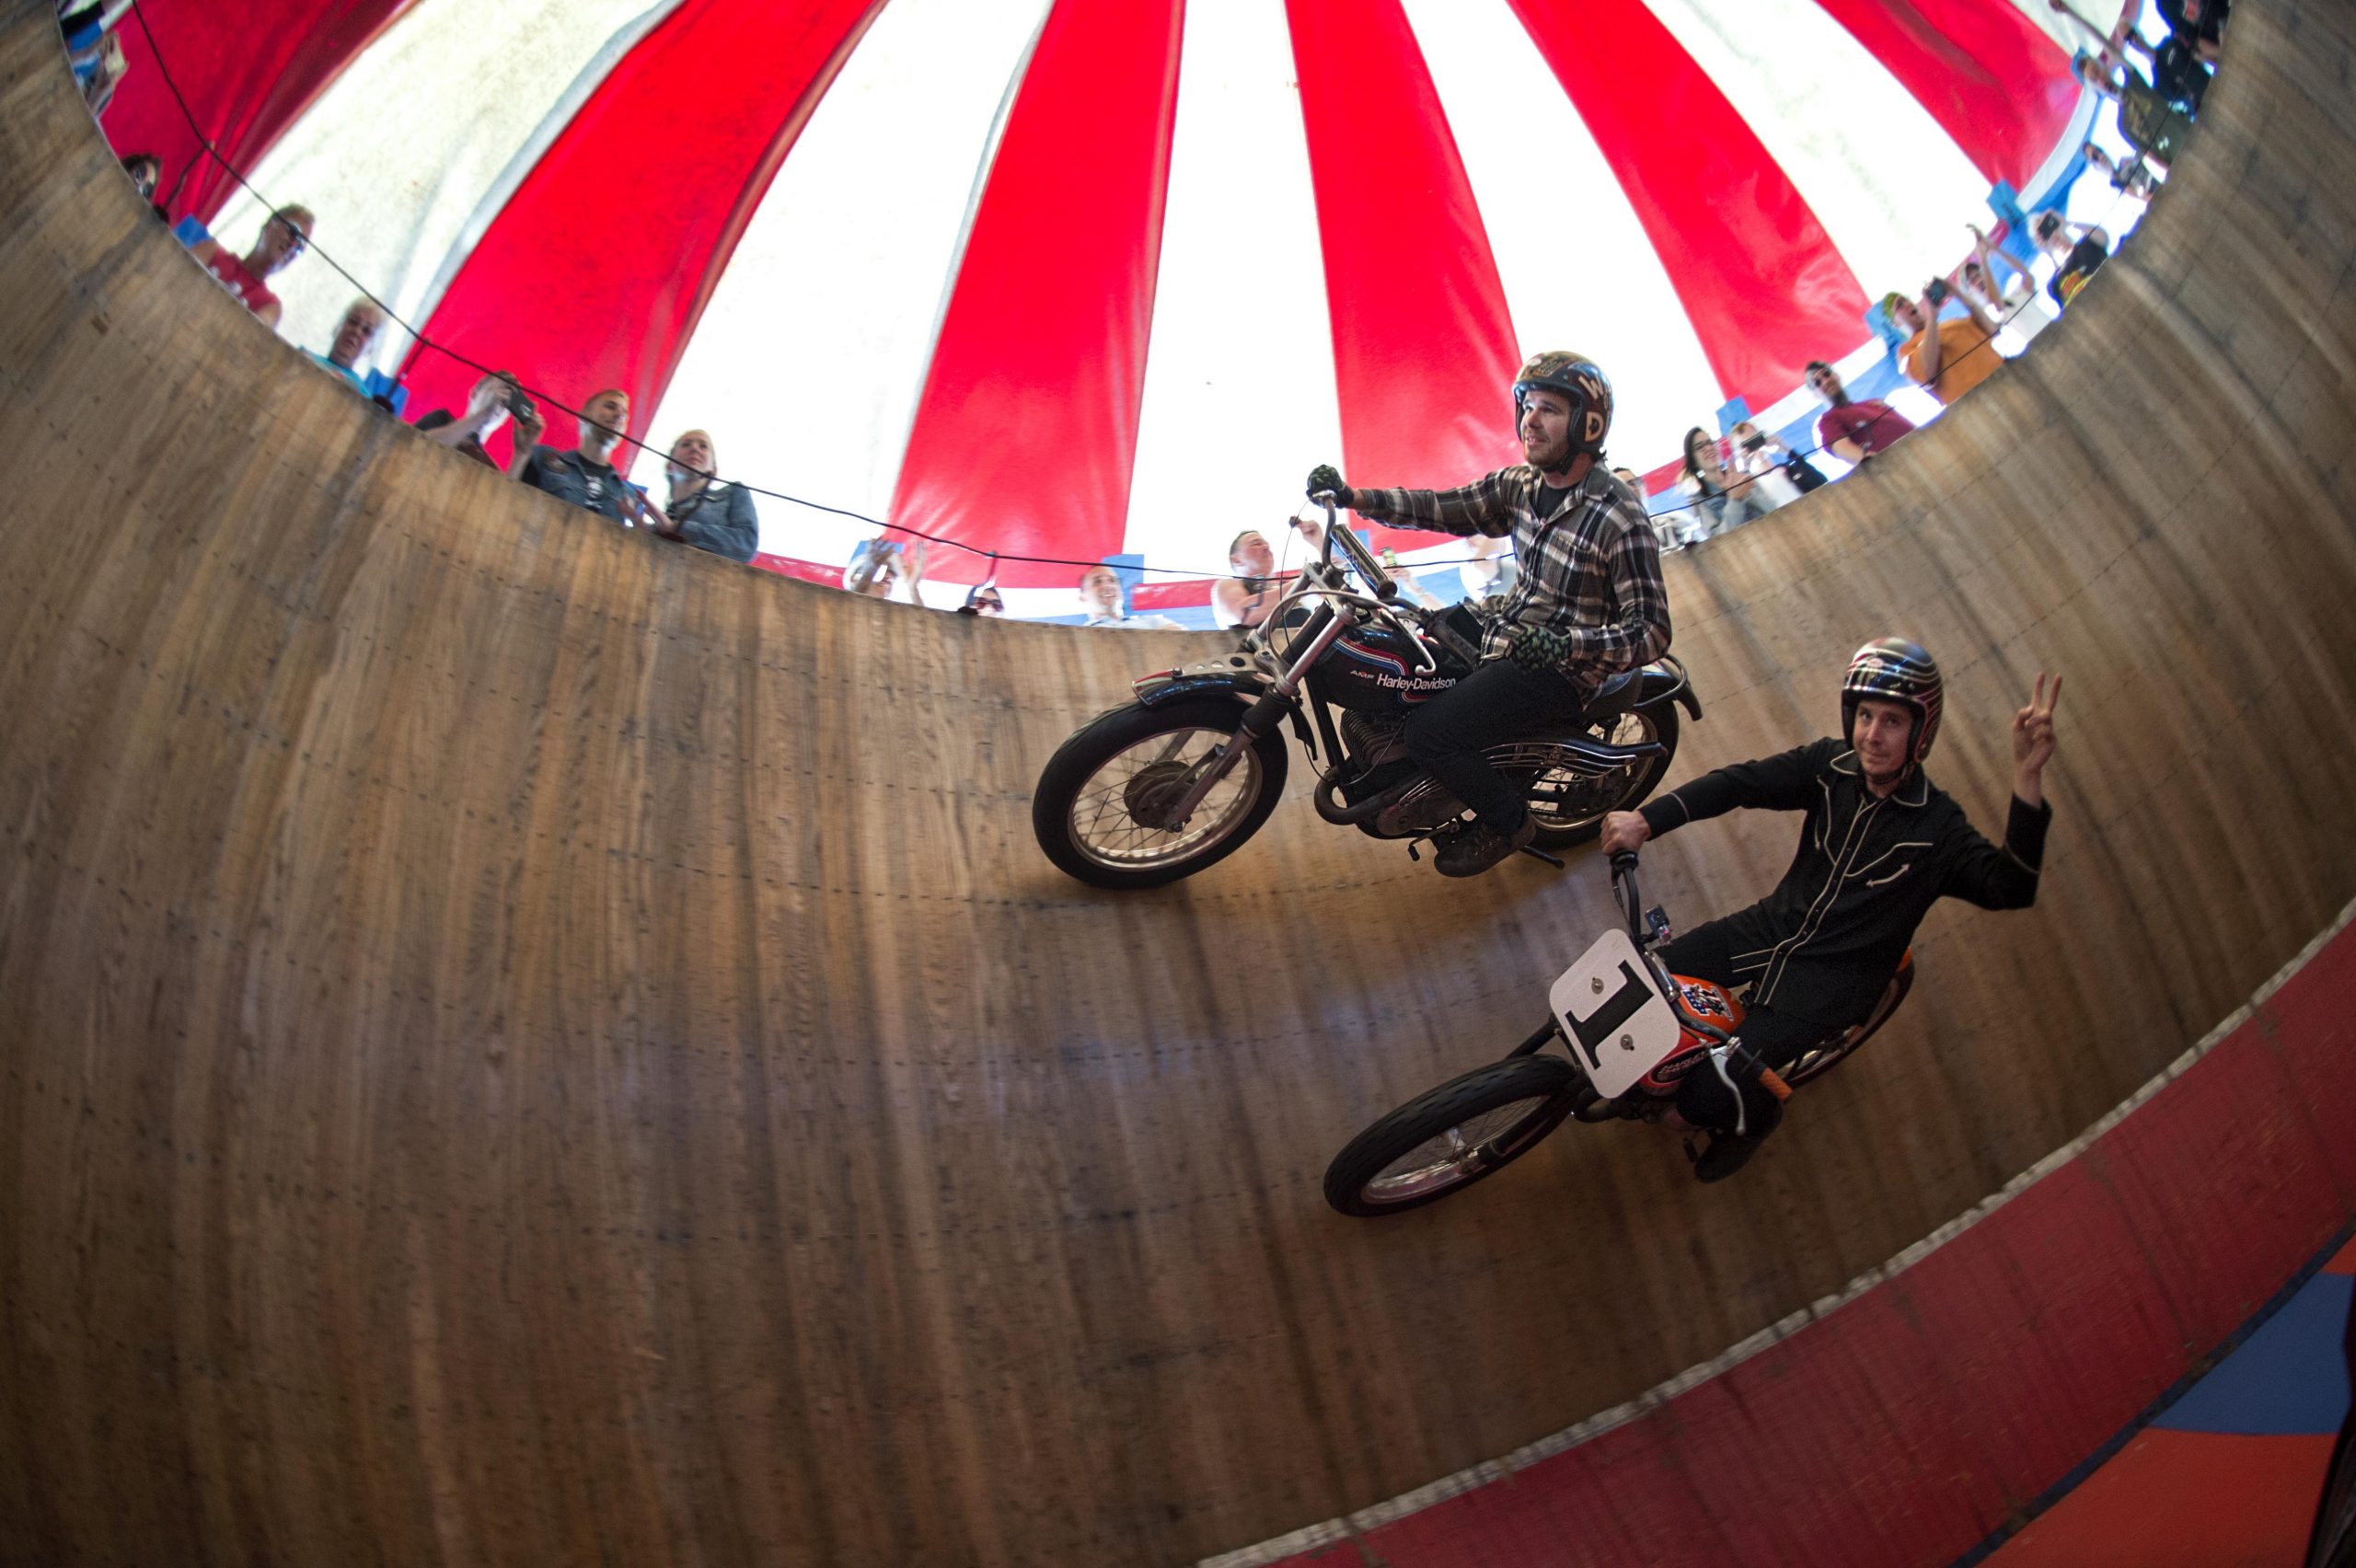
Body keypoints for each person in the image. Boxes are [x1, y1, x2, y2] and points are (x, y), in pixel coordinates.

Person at [1598, 641, 2061, 1181]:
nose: (1872, 735)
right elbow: (1739, 784)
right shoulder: (1829, 767)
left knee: (1694, 1104)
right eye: (1865, 716)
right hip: (1769, 929)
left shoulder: (1938, 829)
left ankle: (1757, 1116)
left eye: (1892, 721)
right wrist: (1646, 820)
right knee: (1642, 991)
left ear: (1922, 731)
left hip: (1826, 988)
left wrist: (2028, 776)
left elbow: (2012, 887)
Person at [1307, 351, 1669, 877]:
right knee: (1392, 667)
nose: (1531, 420)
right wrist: (1352, 495)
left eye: (1549, 409)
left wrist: (1567, 645)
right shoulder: (1523, 486)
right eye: (1528, 406)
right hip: (1503, 627)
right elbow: (1442, 506)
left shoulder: (1619, 515)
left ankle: (1508, 821)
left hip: (1561, 668)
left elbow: (1654, 631)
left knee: (1432, 733)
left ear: (1588, 424)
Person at [516, 387, 666, 530]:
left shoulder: (629, 495)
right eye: (610, 406)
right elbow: (510, 504)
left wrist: (641, 527)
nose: (619, 415)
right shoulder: (544, 459)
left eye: (624, 414)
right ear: (584, 416)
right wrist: (521, 454)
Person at [187, 205, 314, 331]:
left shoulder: (270, 306)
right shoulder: (211, 251)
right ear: (269, 225)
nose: (293, 245)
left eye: (300, 246)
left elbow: (245, 338)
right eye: (293, 232)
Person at [650, 429, 757, 563]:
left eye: (703, 446)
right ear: (669, 466)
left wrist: (678, 529)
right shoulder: (660, 522)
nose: (694, 448)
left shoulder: (733, 493)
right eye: (686, 444)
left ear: (713, 469)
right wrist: (642, 533)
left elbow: (745, 545)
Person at [1889, 282, 2004, 407]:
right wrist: (1932, 318)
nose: (1907, 304)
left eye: (1907, 300)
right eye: (1900, 305)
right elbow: (1927, 373)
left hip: (2005, 380)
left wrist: (1956, 292)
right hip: (1974, 406)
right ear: (1895, 323)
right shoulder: (1905, 351)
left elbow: (1992, 329)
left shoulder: (1952, 323)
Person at [416, 370, 542, 473]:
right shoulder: (441, 420)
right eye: (497, 391)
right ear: (475, 393)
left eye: (508, 404)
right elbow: (418, 445)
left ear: (504, 420)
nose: (501, 402)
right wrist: (483, 414)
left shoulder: (491, 468)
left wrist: (521, 454)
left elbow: (500, 501)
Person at [1807, 361, 1916, 466]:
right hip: (1897, 466)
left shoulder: (1874, 402)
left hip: (1924, 447)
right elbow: (1841, 448)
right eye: (1817, 382)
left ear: (1836, 375)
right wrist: (1871, 462)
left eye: (1826, 374)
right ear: (1815, 394)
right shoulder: (1827, 420)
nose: (1825, 381)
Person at [1675, 426, 1770, 544]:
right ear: (1693, 461)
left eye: (1710, 442)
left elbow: (1770, 509)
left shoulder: (1741, 475)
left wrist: (1747, 490)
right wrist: (1734, 500)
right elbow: (1717, 541)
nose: (1708, 448)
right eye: (1700, 447)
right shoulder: (1698, 501)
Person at [306, 297, 386, 394]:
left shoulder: (362, 397)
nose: (357, 332)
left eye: (366, 331)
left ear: (370, 348)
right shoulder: (303, 358)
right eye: (353, 322)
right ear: (338, 326)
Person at [1212, 530, 1289, 629]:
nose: (1266, 548)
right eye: (1256, 544)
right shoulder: (1229, 584)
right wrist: (1297, 586)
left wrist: (1316, 541)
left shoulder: (1287, 585)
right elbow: (1243, 616)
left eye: (1267, 545)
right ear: (1237, 560)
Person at [1079, 564, 1184, 629]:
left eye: (1112, 580)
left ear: (1121, 593)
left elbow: (1184, 638)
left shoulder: (1151, 621)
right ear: (1083, 597)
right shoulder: (1080, 635)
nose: (1108, 586)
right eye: (1097, 581)